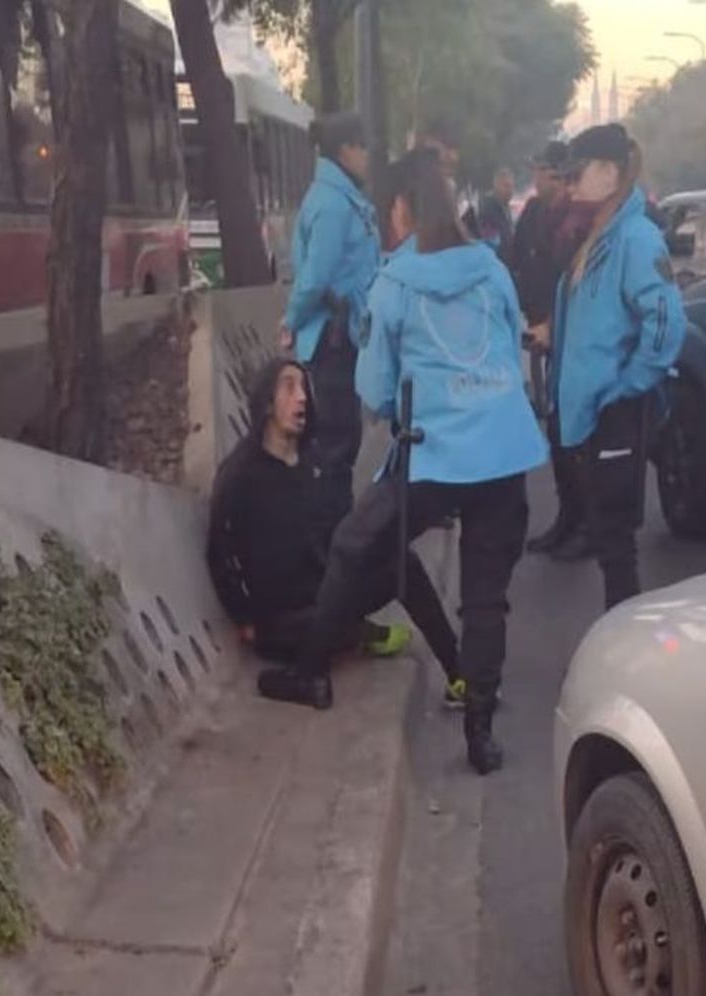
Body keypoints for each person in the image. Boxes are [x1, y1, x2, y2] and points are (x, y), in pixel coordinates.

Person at [264, 149, 548, 776]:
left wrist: (402, 407)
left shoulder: (393, 284)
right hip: (503, 451)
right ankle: (480, 735)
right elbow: (509, 340)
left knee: (352, 543)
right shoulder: (492, 269)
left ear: (403, 211)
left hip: (431, 453)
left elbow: (376, 389)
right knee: (485, 599)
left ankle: (309, 671)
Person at [207, 359, 466, 697]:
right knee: (316, 632)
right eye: (289, 387)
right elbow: (218, 553)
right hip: (282, 619)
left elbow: (340, 534)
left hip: (327, 592)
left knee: (403, 563)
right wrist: (244, 619)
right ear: (268, 402)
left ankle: (459, 674)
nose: (301, 397)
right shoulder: (239, 474)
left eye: (304, 388)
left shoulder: (314, 462)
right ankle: (351, 639)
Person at [552, 124, 687, 611]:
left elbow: (667, 323)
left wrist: (626, 386)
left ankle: (621, 651)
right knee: (609, 544)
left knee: (615, 546)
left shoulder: (635, 239)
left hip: (617, 413)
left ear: (610, 173)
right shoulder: (602, 236)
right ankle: (617, 644)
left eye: (576, 174)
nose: (569, 186)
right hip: (595, 413)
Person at [282, 111, 380, 538]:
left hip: (343, 336)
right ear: (346, 150)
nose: (367, 156)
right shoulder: (331, 204)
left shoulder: (341, 199)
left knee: (338, 444)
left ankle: (334, 540)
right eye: (362, 147)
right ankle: (332, 544)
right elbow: (316, 277)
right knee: (335, 446)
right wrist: (290, 320)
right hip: (331, 339)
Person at [511, 141, 590, 560]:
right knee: (556, 432)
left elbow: (579, 286)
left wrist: (554, 326)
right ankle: (567, 517)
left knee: (575, 435)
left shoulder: (578, 221)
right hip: (540, 332)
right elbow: (516, 261)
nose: (538, 179)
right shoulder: (534, 215)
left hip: (568, 337)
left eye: (543, 171)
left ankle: (586, 524)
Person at [472, 167, 517, 260]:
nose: (510, 190)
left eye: (512, 187)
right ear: (496, 185)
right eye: (506, 186)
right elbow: (491, 244)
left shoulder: (505, 208)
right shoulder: (488, 210)